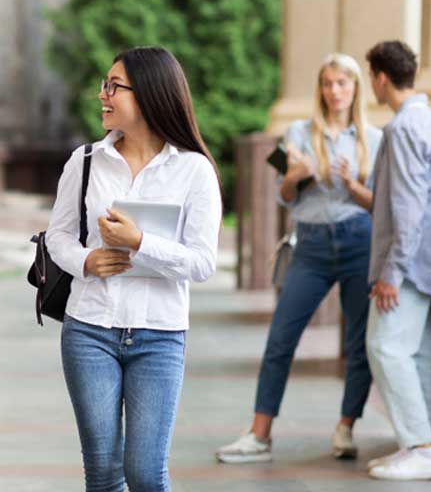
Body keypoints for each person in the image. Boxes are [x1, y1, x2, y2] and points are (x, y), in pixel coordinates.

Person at [45, 46, 222, 491]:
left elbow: (202, 263)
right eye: (104, 85)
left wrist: (139, 243)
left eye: (114, 86)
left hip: (159, 335)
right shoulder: (85, 161)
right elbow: (57, 237)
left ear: (148, 94)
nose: (103, 95)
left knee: (146, 472)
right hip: (89, 330)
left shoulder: (194, 170)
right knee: (103, 475)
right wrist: (87, 260)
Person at [216, 53, 382, 464]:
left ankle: (346, 427)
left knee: (356, 340)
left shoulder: (374, 139)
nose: (334, 91)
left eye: (342, 83)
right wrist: (293, 175)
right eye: (327, 83)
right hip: (310, 245)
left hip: (358, 240)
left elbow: (380, 205)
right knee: (280, 338)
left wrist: (350, 183)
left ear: (355, 88)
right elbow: (283, 196)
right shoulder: (298, 133)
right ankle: (259, 433)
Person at [362, 40, 431, 480]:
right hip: (427, 261)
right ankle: (420, 444)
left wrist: (390, 274)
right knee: (413, 355)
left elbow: (409, 210)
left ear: (380, 77)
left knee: (385, 347)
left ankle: (423, 448)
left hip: (407, 265)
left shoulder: (401, 129)